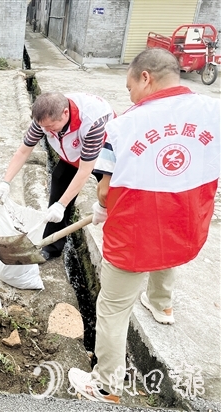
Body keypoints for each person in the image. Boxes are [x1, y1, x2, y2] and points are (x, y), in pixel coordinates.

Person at [68, 48, 220, 403]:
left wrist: (102, 207)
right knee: (167, 249)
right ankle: (162, 305)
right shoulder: (213, 111)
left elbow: (104, 188)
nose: (130, 95)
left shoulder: (123, 126)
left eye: (129, 86)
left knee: (112, 308)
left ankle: (105, 385)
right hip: (184, 222)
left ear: (145, 77)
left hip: (134, 234)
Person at [0, 92, 115, 261]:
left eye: (51, 127)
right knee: (59, 183)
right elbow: (23, 151)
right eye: (44, 128)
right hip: (72, 154)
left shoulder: (92, 122)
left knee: (112, 197)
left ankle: (115, 247)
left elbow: (85, 170)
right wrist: (5, 182)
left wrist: (62, 205)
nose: (47, 131)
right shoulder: (44, 119)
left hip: (104, 154)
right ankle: (52, 247)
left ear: (65, 113)